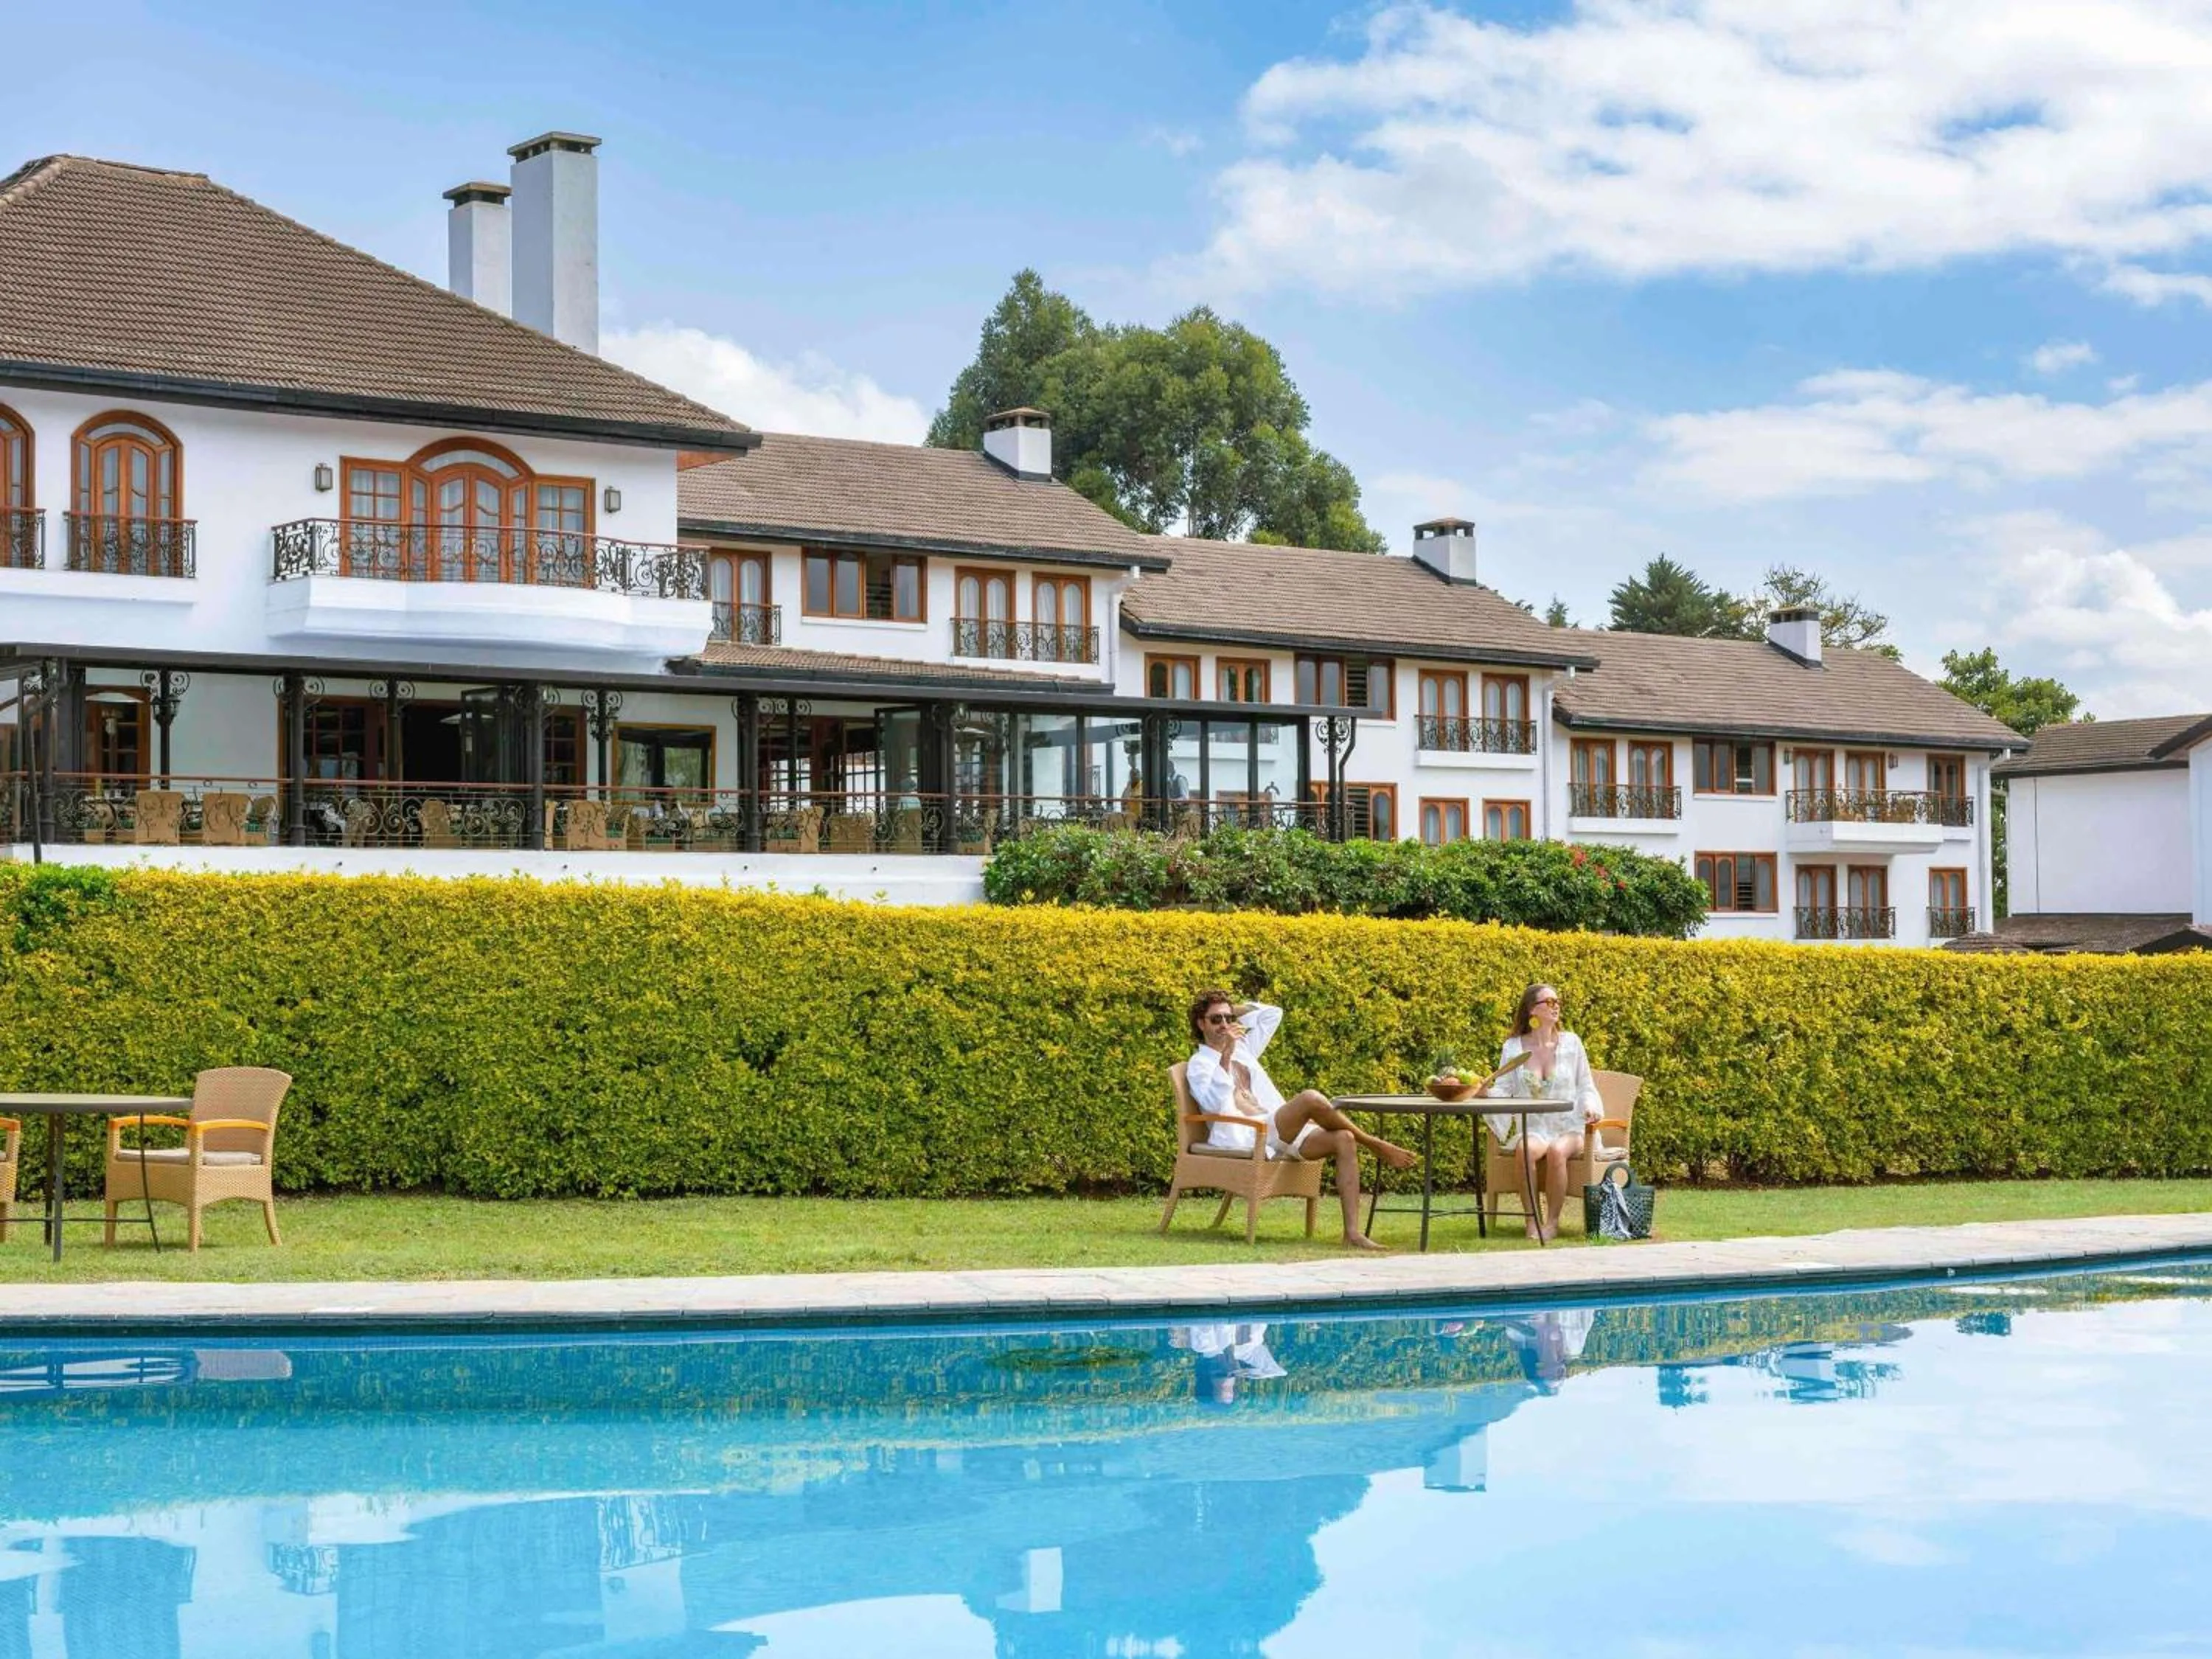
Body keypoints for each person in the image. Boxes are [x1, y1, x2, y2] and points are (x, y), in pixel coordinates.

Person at [1184, 990, 1419, 1252]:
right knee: (1310, 1099)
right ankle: (1374, 1144)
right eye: (1216, 1020)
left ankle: (1352, 1234)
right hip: (1251, 1133)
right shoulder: (1199, 1064)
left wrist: (1231, 1010)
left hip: (1279, 1130)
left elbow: (1272, 1014)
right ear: (1201, 1023)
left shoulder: (1245, 1050)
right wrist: (1225, 1057)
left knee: (1344, 1138)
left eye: (1229, 1019)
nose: (1224, 1025)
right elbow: (1215, 1105)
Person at [1485, 981, 1602, 1242]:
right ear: (1532, 1010)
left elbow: (1585, 1085)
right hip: (1535, 1125)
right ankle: (1531, 1219)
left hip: (1570, 1124)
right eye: (1549, 1002)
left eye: (1557, 1001)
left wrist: (1590, 1108)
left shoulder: (1572, 1043)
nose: (1556, 1006)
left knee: (1557, 1151)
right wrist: (1486, 1093)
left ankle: (1552, 1222)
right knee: (1524, 1150)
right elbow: (1504, 1088)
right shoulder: (1514, 1047)